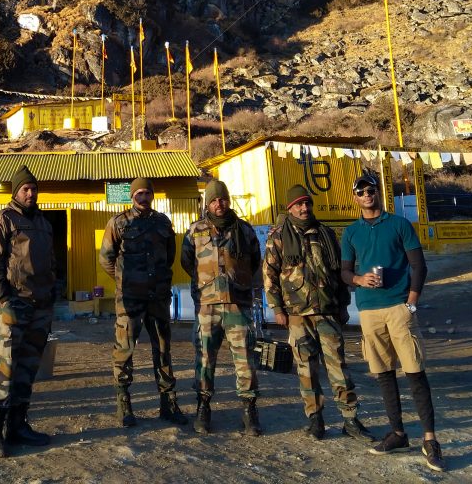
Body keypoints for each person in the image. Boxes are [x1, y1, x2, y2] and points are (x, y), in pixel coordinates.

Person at [340, 173, 445, 472]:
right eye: (361, 192)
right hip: (369, 311)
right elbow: (345, 272)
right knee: (384, 374)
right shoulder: (351, 232)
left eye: (371, 190)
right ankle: (398, 433)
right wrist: (359, 279)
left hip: (399, 307)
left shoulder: (400, 224)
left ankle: (430, 439)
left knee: (415, 371)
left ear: (379, 193)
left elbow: (418, 265)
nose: (367, 195)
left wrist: (411, 301)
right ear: (355, 197)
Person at [264, 184, 373, 441]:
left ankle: (350, 418)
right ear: (290, 207)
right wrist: (277, 309)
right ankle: (315, 419)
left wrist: (344, 304)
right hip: (297, 314)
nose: (304, 208)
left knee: (338, 366)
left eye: (307, 203)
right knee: (306, 369)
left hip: (327, 311)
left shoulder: (325, 233)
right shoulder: (278, 236)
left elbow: (339, 271)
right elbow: (269, 274)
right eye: (299, 204)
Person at [101, 177, 188, 429]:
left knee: (162, 350)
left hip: (158, 298)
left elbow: (169, 256)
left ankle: (168, 403)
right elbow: (106, 258)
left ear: (152, 195)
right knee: (124, 351)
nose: (143, 197)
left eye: (147, 193)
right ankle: (124, 405)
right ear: (131, 196)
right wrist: (125, 281)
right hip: (130, 300)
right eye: (138, 192)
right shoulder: (118, 223)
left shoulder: (163, 222)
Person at [0, 166, 56, 459]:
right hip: (15, 303)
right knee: (4, 367)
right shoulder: (2, 220)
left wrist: (52, 293)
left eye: (33, 188)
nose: (31, 193)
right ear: (15, 191)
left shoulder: (43, 223)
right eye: (25, 188)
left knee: (27, 367)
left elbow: (50, 260)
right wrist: (3, 298)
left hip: (40, 305)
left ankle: (18, 425)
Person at [181, 179, 261, 435]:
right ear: (207, 203)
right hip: (207, 306)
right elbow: (186, 262)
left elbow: (255, 261)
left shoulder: (244, 230)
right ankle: (203, 407)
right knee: (204, 358)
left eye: (223, 199)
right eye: (214, 200)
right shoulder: (195, 231)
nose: (219, 203)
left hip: (238, 305)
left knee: (245, 360)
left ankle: (249, 410)